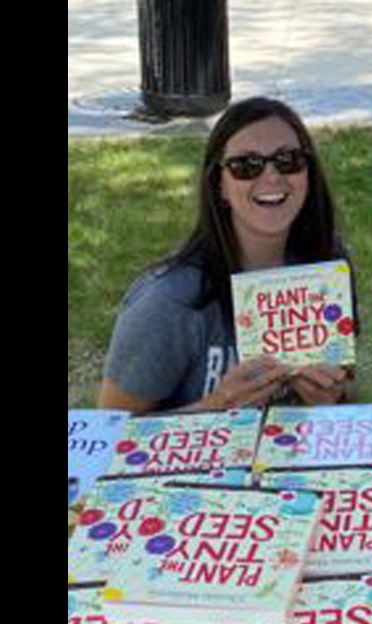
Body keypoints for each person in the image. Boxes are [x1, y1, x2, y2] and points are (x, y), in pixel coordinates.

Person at [98, 97, 355, 415]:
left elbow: (342, 402)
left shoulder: (327, 265)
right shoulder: (168, 300)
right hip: (193, 466)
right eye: (245, 166)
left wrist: (330, 399)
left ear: (308, 173)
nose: (272, 176)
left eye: (288, 159)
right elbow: (109, 433)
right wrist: (217, 407)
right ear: (218, 185)